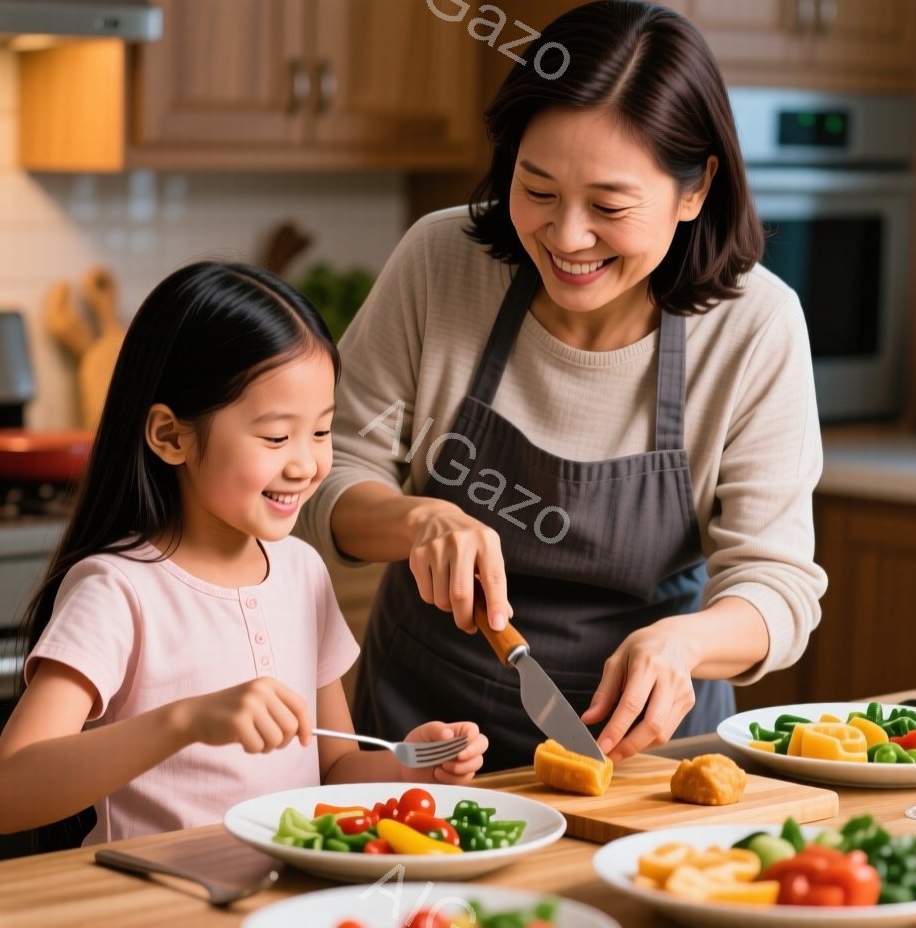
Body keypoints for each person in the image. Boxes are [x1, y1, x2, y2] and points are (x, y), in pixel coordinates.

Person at [295, 0, 827, 772]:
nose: (566, 236)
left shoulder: (757, 326)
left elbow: (778, 584)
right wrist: (416, 522)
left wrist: (683, 642)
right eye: (537, 191)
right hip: (420, 749)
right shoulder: (439, 263)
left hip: (643, 764)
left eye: (608, 206)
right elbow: (319, 478)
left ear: (695, 188)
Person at [0, 262, 487, 845]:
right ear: (171, 436)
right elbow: (7, 795)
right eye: (276, 437)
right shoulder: (117, 589)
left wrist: (405, 765)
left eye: (321, 432)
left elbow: (334, 773)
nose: (305, 464)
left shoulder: (302, 572)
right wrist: (187, 720)